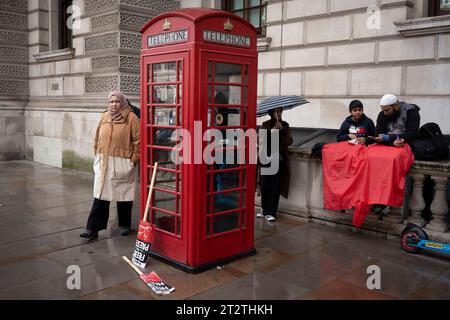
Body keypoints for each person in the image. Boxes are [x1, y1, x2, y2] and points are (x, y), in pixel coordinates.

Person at [80, 91, 140, 240]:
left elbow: (138, 142)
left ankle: (125, 224)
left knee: (123, 193)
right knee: (100, 195)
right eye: (111, 102)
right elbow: (97, 135)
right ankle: (92, 229)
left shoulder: (131, 118)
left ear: (123, 103)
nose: (114, 105)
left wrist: (132, 161)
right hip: (104, 159)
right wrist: (96, 152)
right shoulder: (104, 116)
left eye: (117, 102)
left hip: (122, 160)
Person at [257, 107, 293, 222]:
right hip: (265, 157)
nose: (279, 113)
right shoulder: (265, 124)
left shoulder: (285, 125)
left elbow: (290, 141)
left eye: (280, 111)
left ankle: (271, 212)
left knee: (275, 185)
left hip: (277, 158)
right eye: (276, 111)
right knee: (265, 184)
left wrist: (282, 131)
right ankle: (264, 209)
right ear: (272, 113)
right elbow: (260, 141)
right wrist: (270, 131)